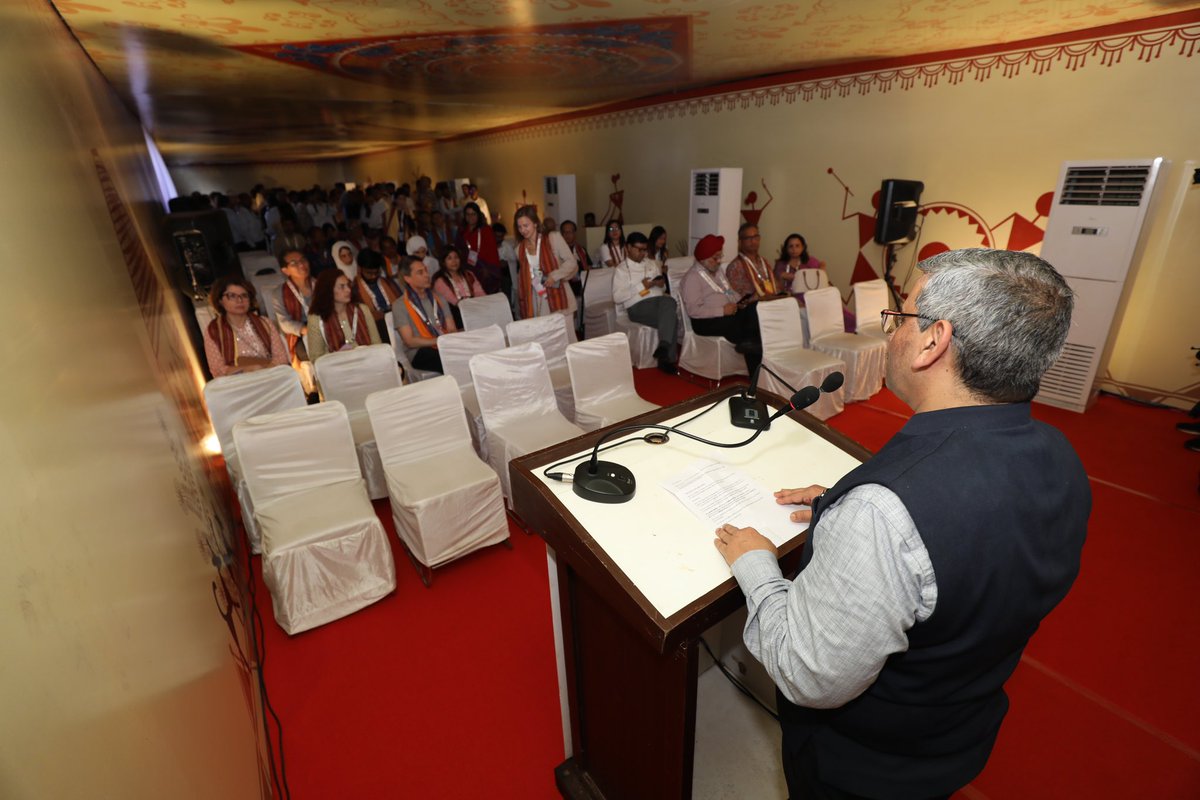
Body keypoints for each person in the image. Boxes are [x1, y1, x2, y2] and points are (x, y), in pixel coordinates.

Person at [712, 248, 1090, 800]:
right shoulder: (1061, 457)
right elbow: (969, 548)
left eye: (901, 318)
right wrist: (836, 506)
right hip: (955, 733)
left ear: (934, 340)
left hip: (862, 765)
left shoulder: (883, 514)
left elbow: (805, 671)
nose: (891, 333)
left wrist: (756, 564)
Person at [679, 234, 761, 373]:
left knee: (755, 308)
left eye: (719, 257)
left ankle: (749, 346)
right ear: (704, 259)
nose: (719, 261)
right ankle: (753, 361)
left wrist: (740, 301)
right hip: (705, 322)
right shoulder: (692, 278)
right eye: (715, 258)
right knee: (748, 329)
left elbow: (729, 291)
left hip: (728, 314)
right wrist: (722, 311)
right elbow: (694, 311)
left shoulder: (717, 271)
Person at [611, 232, 678, 374]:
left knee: (670, 314)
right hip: (637, 307)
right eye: (639, 249)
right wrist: (641, 286)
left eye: (644, 250)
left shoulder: (651, 263)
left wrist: (660, 284)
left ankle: (664, 354)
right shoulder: (621, 270)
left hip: (658, 303)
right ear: (628, 248)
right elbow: (617, 297)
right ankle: (666, 354)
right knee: (670, 305)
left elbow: (664, 288)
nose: (643, 253)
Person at [203, 276, 289, 378]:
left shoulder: (265, 323)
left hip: (269, 376)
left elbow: (282, 358)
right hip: (238, 383)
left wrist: (264, 369)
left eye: (244, 295)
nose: (239, 300)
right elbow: (217, 370)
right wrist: (248, 369)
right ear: (220, 300)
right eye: (232, 296)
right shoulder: (214, 330)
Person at [513, 204, 578, 323]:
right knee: (546, 338)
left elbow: (571, 262)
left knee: (567, 339)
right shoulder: (519, 250)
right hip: (537, 299)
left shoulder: (552, 238)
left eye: (526, 225)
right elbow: (527, 276)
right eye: (519, 227)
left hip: (560, 295)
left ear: (535, 223)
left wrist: (554, 276)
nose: (523, 230)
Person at [396, 256, 457, 373]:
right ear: (408, 278)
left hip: (444, 345)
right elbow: (409, 341)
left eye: (426, 270)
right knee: (448, 360)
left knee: (469, 350)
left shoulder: (438, 297)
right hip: (419, 351)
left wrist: (448, 341)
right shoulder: (399, 305)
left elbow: (451, 328)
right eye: (420, 272)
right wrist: (438, 341)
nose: (427, 275)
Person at [305, 268, 381, 361]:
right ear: (328, 290)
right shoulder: (316, 318)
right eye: (342, 286)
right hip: (339, 368)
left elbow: (377, 343)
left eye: (348, 285)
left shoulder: (361, 309)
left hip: (368, 361)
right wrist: (337, 357)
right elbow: (316, 358)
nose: (348, 290)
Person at [269, 249, 316, 368]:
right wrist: (305, 329)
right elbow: (284, 323)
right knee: (311, 351)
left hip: (325, 325)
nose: (301, 265)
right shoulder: (279, 293)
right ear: (285, 270)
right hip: (302, 332)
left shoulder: (320, 284)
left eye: (303, 260)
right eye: (294, 263)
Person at [354, 249, 402, 342]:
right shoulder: (354, 289)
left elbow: (401, 302)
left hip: (397, 325)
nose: (373, 276)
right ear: (360, 269)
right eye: (369, 273)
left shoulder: (388, 283)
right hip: (375, 331)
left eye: (376, 273)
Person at [432, 245, 485, 329]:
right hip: (455, 316)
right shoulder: (440, 281)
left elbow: (480, 293)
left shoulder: (468, 274)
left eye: (456, 257)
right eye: (449, 258)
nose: (454, 261)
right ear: (443, 262)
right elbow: (454, 302)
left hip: (474, 309)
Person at [456, 202, 503, 295]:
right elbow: (459, 250)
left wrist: (487, 268)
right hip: (467, 269)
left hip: (484, 269)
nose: (470, 217)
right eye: (468, 214)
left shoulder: (486, 230)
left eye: (473, 214)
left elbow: (492, 253)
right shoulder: (461, 231)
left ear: (478, 215)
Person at [727, 222, 779, 301]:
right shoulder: (735, 266)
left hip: (770, 303)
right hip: (751, 308)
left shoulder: (764, 262)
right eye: (748, 238)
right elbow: (735, 297)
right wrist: (757, 296)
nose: (753, 241)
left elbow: (775, 286)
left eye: (755, 237)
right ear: (740, 242)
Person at [774, 233, 826, 302]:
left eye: (797, 246)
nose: (794, 249)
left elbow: (822, 266)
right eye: (791, 246)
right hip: (790, 299)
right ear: (786, 248)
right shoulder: (781, 264)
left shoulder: (810, 260)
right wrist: (782, 276)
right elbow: (778, 287)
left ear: (803, 247)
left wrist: (822, 268)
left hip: (811, 297)